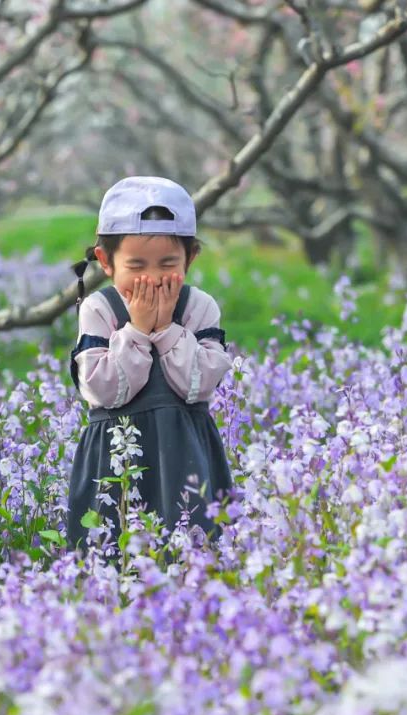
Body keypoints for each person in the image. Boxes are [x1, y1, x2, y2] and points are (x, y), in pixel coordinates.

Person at [66, 176, 234, 554]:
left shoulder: (199, 307)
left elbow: (198, 386)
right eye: (136, 265)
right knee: (114, 548)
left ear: (191, 258)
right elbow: (105, 391)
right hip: (114, 456)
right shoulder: (99, 309)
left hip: (186, 450)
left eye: (168, 264)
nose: (153, 279)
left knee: (193, 545)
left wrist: (168, 331)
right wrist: (138, 331)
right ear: (106, 262)